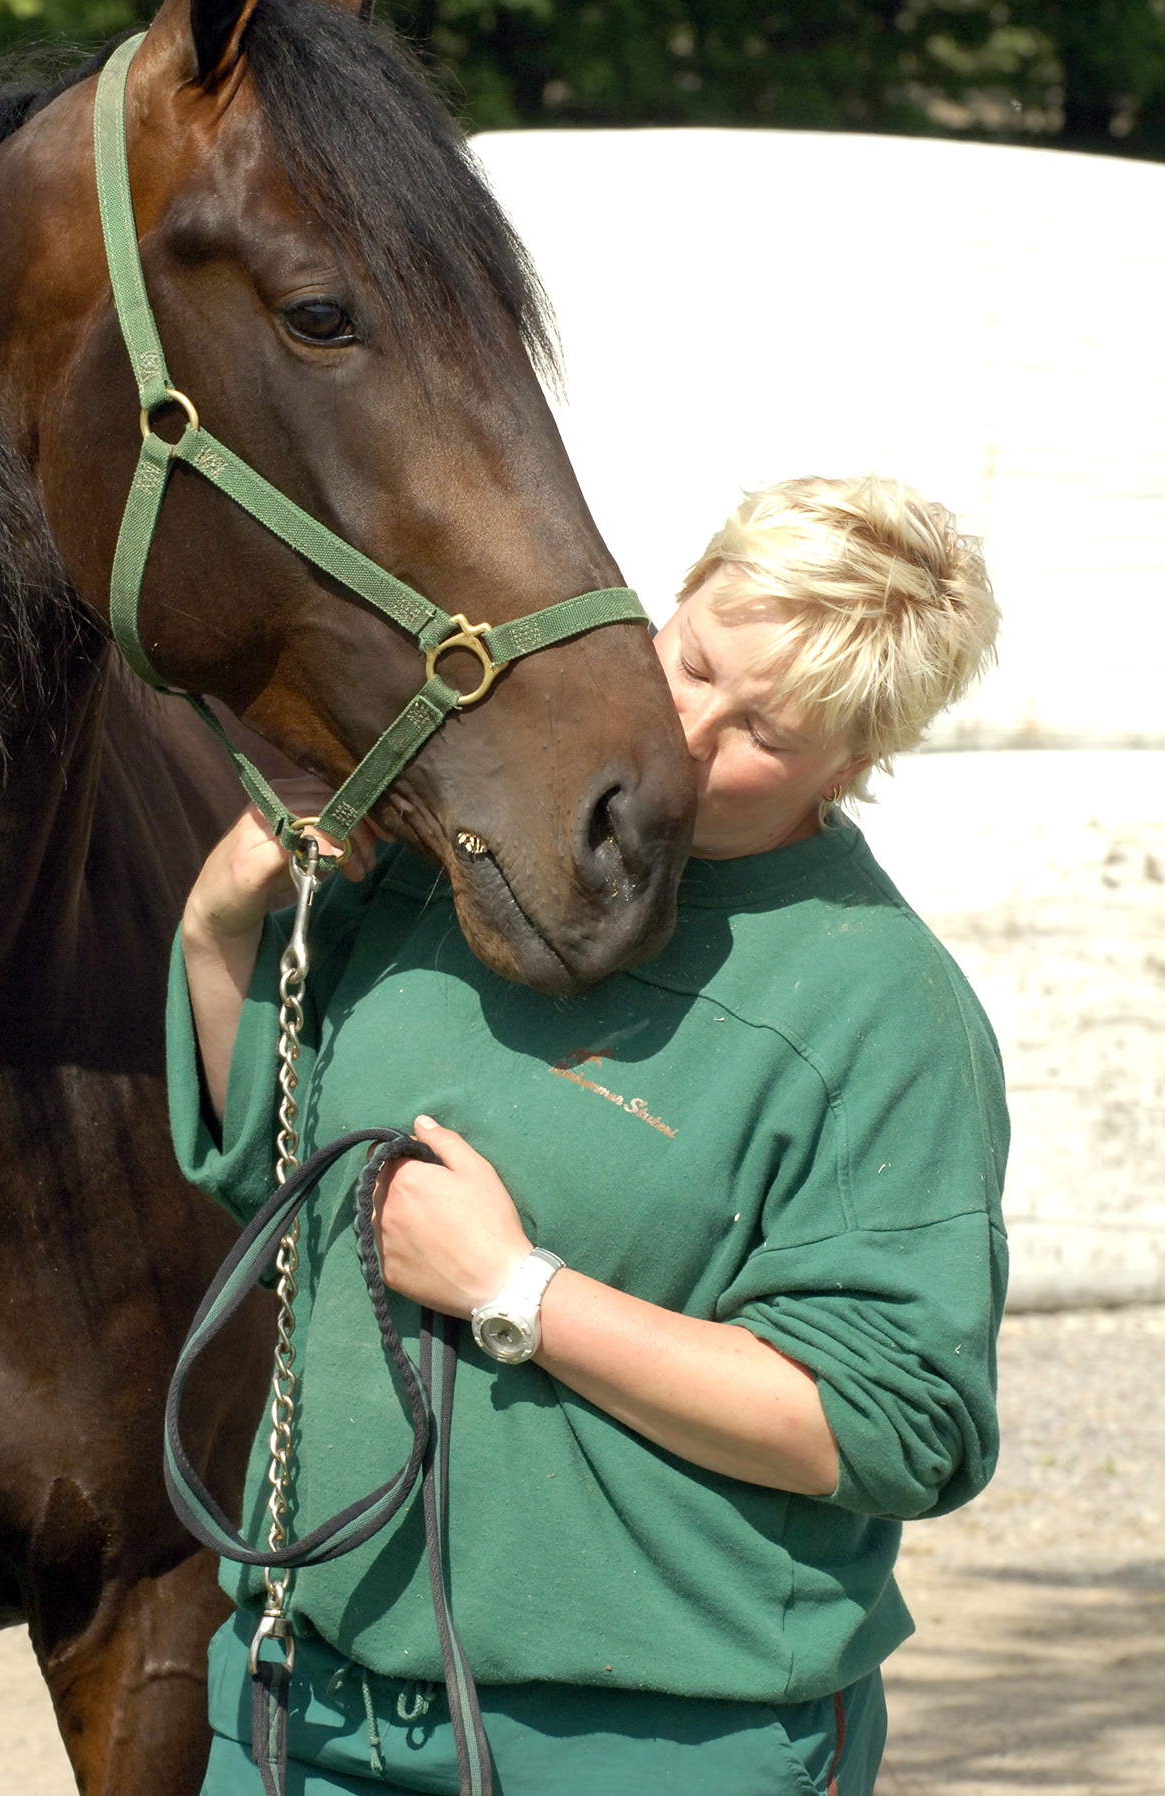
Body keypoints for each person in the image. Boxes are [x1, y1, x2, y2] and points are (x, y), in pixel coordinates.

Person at [170, 476, 1007, 1796]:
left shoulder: (878, 1008)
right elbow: (284, 1174)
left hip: (650, 1748)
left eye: (766, 734)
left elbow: (891, 1426)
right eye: (691, 664)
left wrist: (520, 1292)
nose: (689, 733)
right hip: (302, 1705)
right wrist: (220, 928)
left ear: (854, 768)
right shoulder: (474, 859)